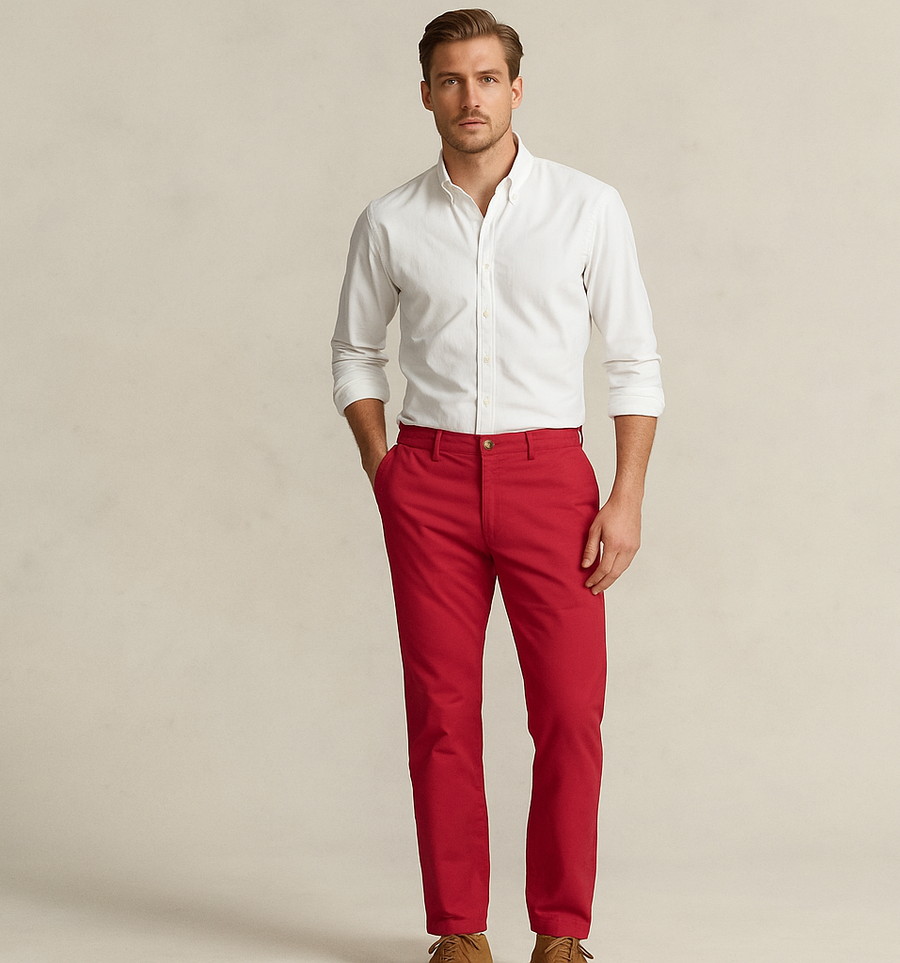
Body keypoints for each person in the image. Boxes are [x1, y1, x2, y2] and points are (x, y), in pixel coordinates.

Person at [330, 9, 663, 962]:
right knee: (441, 715)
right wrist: (385, 469)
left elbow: (633, 360)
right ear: (425, 93)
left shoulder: (586, 206)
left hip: (549, 477)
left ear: (516, 89)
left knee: (568, 712)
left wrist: (625, 497)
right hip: (428, 479)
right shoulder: (389, 220)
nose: (468, 97)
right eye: (450, 79)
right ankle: (458, 931)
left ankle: (560, 932)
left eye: (485, 78)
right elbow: (354, 352)